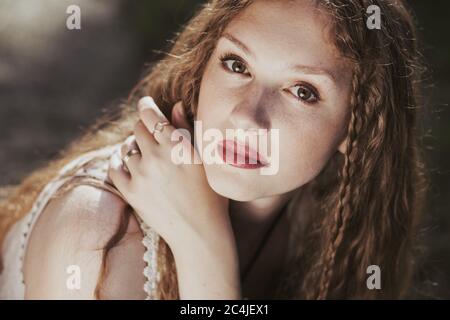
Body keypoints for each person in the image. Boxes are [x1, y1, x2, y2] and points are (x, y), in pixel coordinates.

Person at [0, 0, 427, 299]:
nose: (246, 116)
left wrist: (203, 239)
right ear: (203, 65)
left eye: (302, 91)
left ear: (356, 130)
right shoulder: (97, 236)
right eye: (237, 64)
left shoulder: (328, 221)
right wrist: (205, 248)